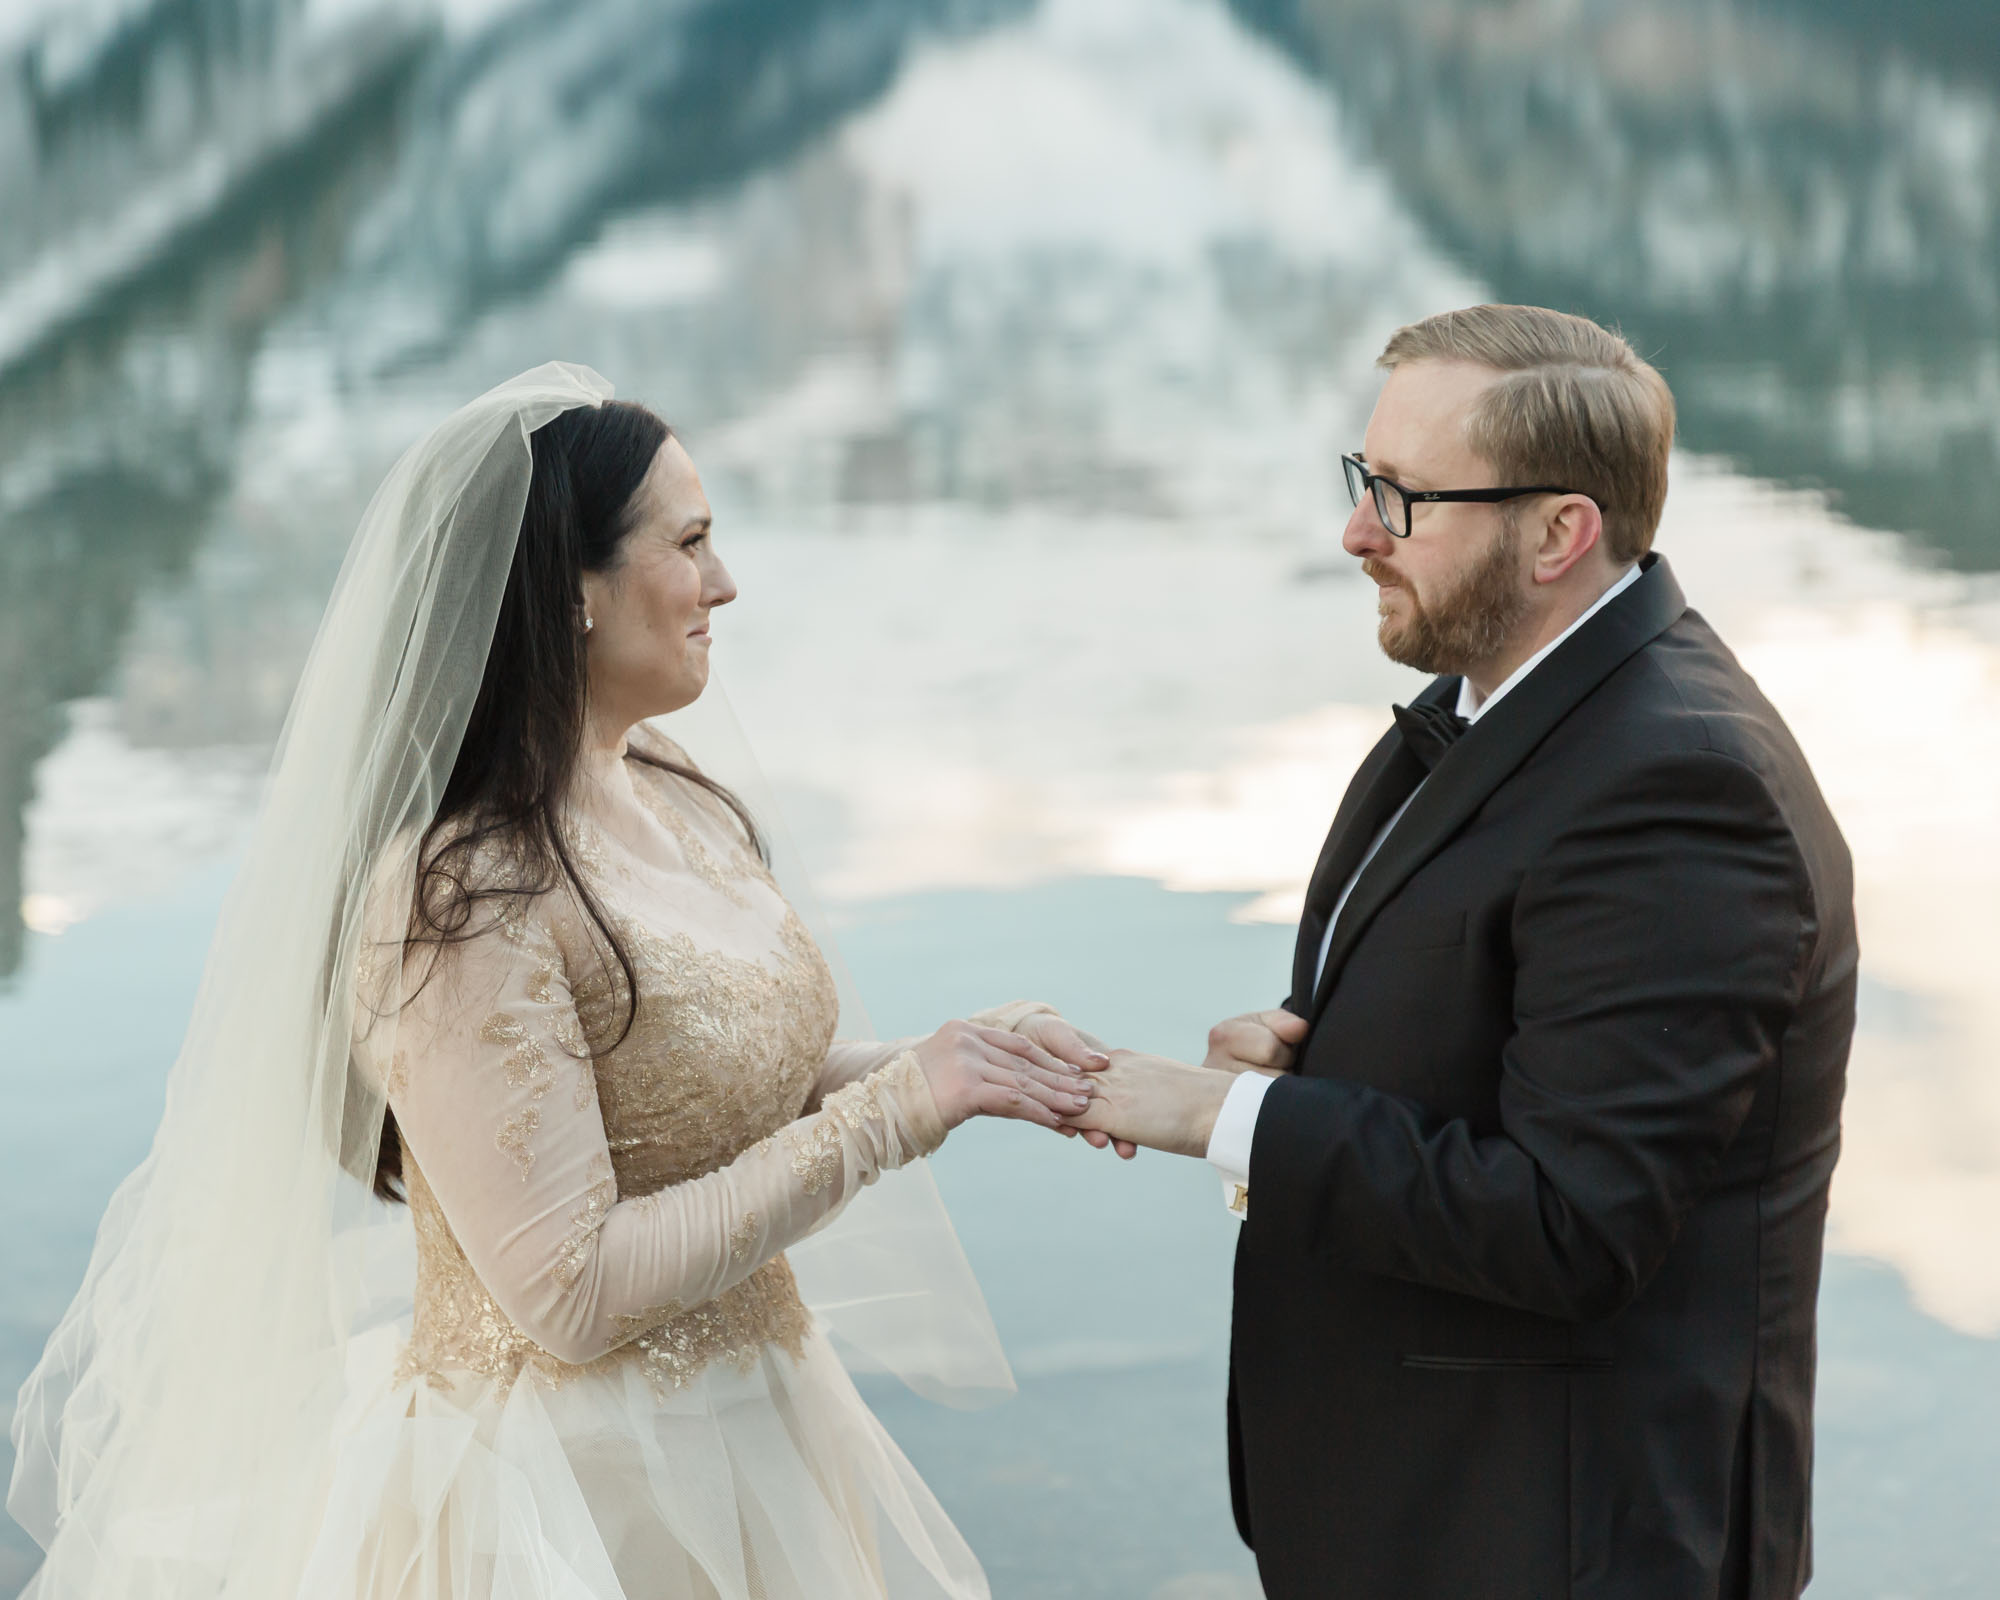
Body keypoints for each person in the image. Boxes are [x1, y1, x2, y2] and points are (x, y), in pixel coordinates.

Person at [10, 365, 1105, 1599]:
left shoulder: (673, 788)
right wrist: (894, 1115)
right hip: (564, 1507)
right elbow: (568, 1295)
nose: (725, 583)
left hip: (763, 1437)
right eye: (690, 544)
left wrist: (952, 1063)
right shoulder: (459, 902)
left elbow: (716, 1090)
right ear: (569, 592)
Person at [1065, 306, 1857, 1599]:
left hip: (1559, 1543)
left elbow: (1574, 1222)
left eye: (1405, 498)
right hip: (1437, 1514)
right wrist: (1304, 1073)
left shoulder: (1684, 788)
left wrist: (1232, 1121)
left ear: (1560, 532)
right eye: (1362, 479)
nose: (1357, 531)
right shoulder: (1498, 705)